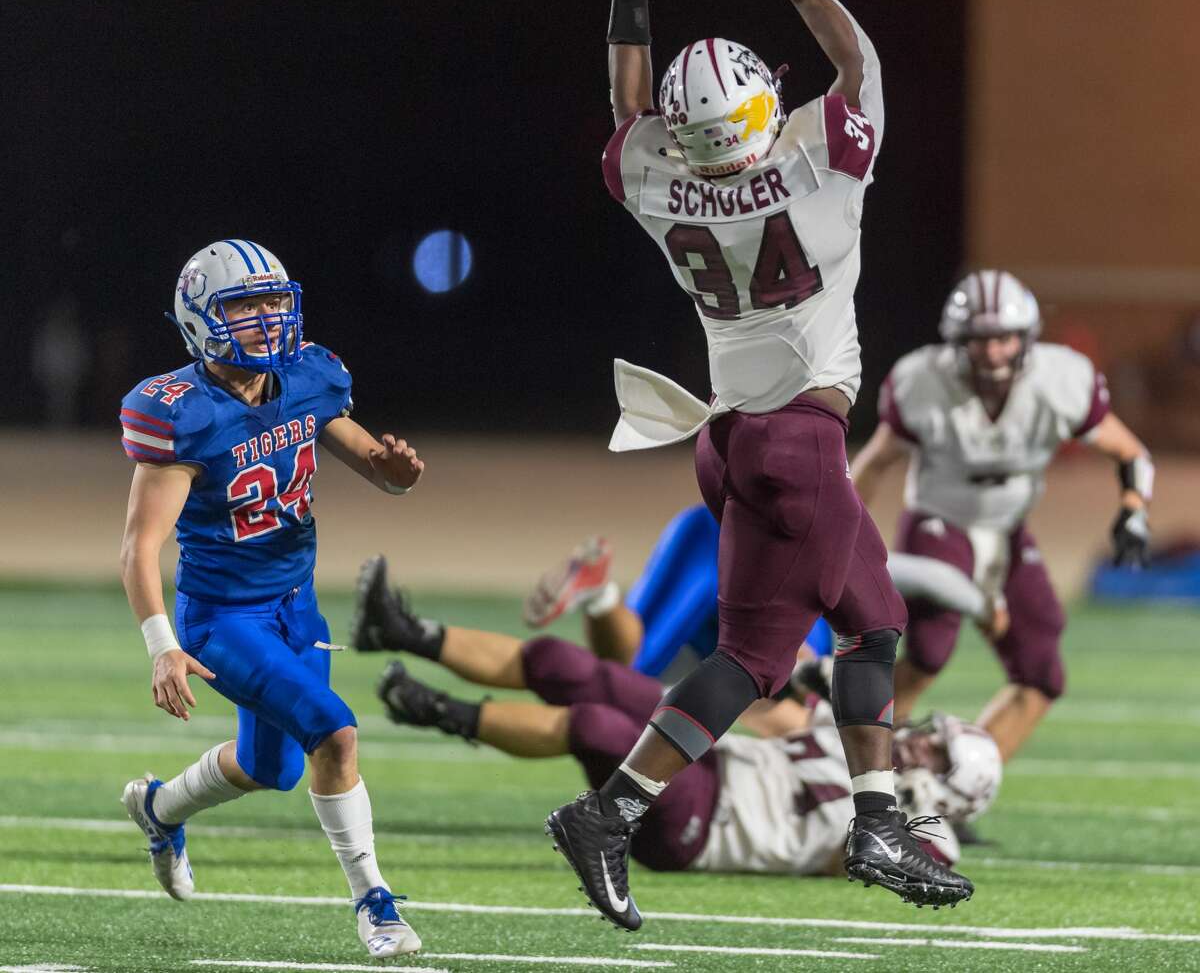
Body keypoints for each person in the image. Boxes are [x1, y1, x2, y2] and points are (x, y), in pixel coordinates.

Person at [538, 0, 973, 931]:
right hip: (799, 448)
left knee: (852, 628)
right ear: (760, 112)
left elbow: (626, 107)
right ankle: (616, 813)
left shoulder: (656, 178)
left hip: (732, 435)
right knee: (773, 657)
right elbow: (858, 62)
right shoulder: (816, 167)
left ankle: (868, 823)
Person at [117, 239, 425, 959]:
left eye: (272, 302)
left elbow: (373, 465)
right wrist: (163, 646)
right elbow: (138, 547)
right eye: (244, 306)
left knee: (273, 769)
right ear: (200, 319)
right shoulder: (184, 412)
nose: (266, 319)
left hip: (295, 607)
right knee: (335, 731)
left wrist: (394, 471)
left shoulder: (308, 377)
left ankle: (159, 809)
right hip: (223, 620)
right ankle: (374, 903)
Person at [350, 567, 1001, 879]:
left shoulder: (924, 827)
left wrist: (905, 806)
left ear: (953, 794)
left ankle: (439, 711)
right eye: (931, 734)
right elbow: (798, 698)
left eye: (936, 754)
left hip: (704, 827)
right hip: (713, 761)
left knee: (597, 726)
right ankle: (406, 631)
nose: (920, 742)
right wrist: (809, 681)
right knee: (572, 668)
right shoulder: (865, 745)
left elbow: (874, 860)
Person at [852, 270, 1153, 761]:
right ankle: (865, 764)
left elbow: (1131, 452)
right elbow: (875, 462)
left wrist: (1134, 510)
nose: (992, 352)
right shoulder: (923, 380)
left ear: (1026, 338)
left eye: (1004, 338)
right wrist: (843, 532)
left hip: (1009, 528)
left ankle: (960, 781)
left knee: (1042, 673)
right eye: (979, 339)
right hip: (939, 519)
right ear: (957, 341)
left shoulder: (1060, 380)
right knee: (928, 651)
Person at [522, 511, 834, 679]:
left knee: (627, 668)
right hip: (775, 556)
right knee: (803, 684)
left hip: (707, 527)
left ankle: (600, 596)